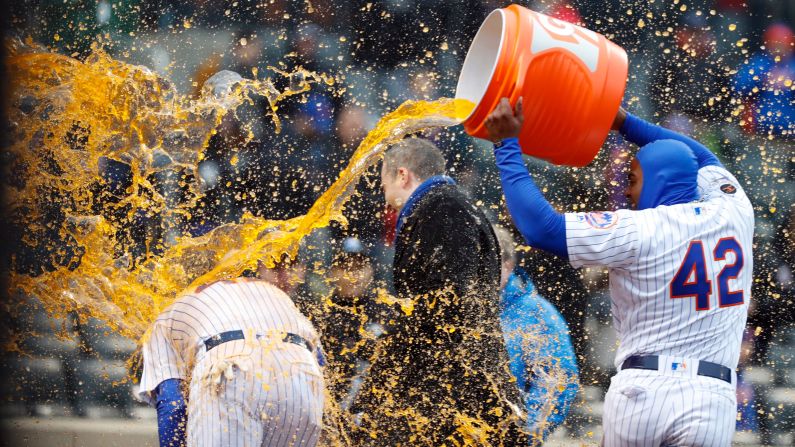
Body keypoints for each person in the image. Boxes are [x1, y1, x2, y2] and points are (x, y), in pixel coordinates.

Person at [485, 97, 753, 446]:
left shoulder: (637, 229)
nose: (626, 190)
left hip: (642, 391)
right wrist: (626, 124)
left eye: (633, 178)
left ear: (658, 180)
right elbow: (702, 156)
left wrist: (507, 146)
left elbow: (541, 228)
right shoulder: (734, 210)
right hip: (712, 393)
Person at [350, 137, 528, 446]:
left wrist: (385, 367)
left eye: (383, 186)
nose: (385, 197)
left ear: (402, 175)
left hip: (459, 394)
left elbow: (445, 303)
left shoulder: (442, 207)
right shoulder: (451, 205)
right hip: (459, 387)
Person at [136, 258, 325, 447]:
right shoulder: (273, 293)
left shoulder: (167, 313)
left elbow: (173, 406)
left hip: (232, 374)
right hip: (304, 379)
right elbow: (320, 362)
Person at [493, 226, 579, 445]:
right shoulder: (458, 307)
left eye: (488, 263)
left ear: (508, 265)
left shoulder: (536, 313)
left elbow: (557, 381)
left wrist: (526, 434)